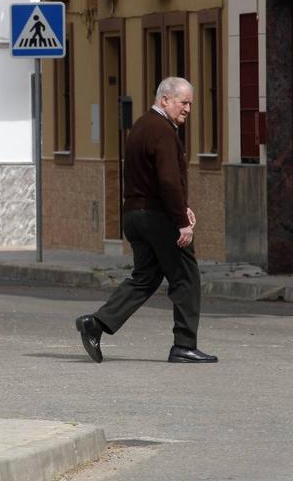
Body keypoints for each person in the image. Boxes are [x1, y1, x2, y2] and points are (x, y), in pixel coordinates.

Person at [75, 77, 217, 364]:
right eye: (183, 102)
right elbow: (167, 180)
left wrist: (181, 207)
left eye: (190, 103)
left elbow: (154, 179)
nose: (188, 108)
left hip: (134, 215)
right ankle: (184, 345)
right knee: (186, 277)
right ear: (165, 99)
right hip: (157, 217)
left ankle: (97, 323)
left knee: (146, 277)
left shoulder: (141, 126)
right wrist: (181, 220)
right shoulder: (162, 131)